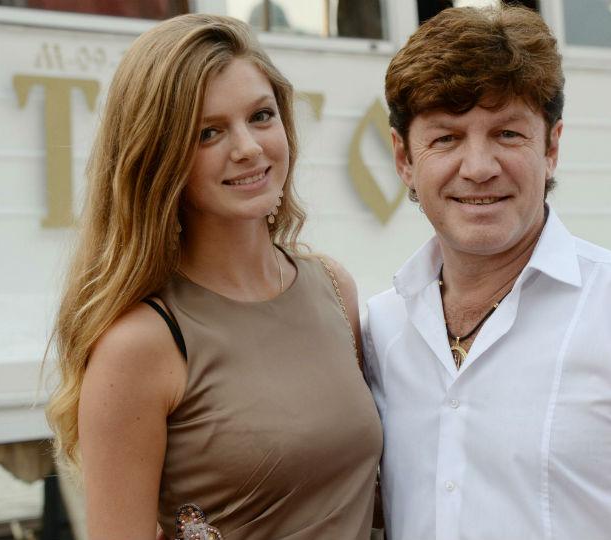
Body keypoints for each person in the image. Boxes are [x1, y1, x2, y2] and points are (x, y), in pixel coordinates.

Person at [45, 14, 382, 540]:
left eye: (261, 116)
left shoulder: (334, 289)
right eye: (209, 132)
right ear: (158, 157)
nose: (247, 147)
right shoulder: (140, 344)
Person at [363, 5, 611, 540]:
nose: (479, 167)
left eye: (507, 134)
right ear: (404, 159)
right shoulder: (380, 330)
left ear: (551, 147)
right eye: (446, 138)